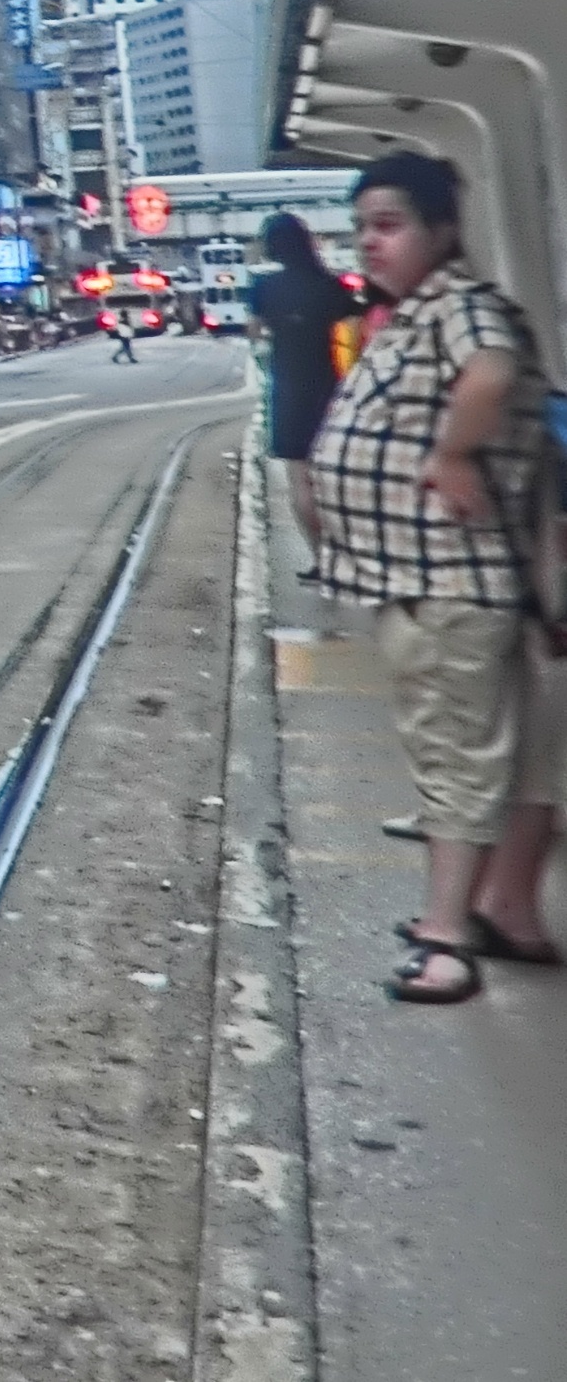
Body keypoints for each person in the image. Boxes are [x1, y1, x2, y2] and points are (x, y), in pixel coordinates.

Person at [301, 151, 561, 1003]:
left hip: (448, 579)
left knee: (455, 762)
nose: (369, 244)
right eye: (362, 228)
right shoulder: (412, 313)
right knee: (509, 761)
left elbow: (488, 371)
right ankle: (505, 913)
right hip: (433, 580)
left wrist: (450, 454)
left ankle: (446, 937)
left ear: (440, 231)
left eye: (388, 224)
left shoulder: (462, 308)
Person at [255, 212, 361, 537]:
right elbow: (356, 328)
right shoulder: (330, 285)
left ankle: (320, 557)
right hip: (330, 385)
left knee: (299, 479)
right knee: (334, 474)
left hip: (287, 387)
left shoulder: (264, 287)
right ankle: (346, 549)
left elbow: (255, 335)